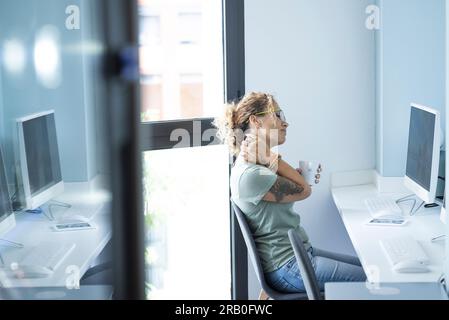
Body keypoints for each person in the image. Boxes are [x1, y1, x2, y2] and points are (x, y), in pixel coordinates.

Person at [214, 92, 366, 294]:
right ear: (255, 121)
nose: (285, 123)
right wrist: (271, 157)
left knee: (372, 270)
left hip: (299, 255)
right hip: (288, 267)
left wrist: (293, 174)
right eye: (277, 115)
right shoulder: (250, 174)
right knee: (375, 281)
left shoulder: (256, 167)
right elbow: (304, 191)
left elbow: (295, 187)